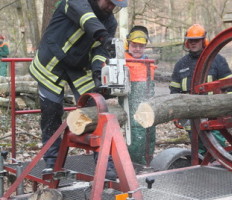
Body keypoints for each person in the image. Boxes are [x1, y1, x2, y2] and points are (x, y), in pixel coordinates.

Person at [29, 0, 128, 180]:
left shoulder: (110, 22)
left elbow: (100, 51)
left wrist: (98, 72)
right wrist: (104, 36)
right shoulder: (75, 2)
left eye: (115, 5)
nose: (111, 7)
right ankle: (52, 162)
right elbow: (86, 18)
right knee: (51, 111)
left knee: (97, 108)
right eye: (109, 2)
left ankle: (105, 162)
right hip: (51, 62)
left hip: (78, 68)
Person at [169, 24, 232, 155]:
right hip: (191, 120)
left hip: (214, 118)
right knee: (198, 153)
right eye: (190, 40)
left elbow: (230, 88)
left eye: (196, 40)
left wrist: (229, 110)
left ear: (203, 41)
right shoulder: (181, 64)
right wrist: (176, 114)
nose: (193, 43)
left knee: (217, 153)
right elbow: (174, 91)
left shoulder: (217, 60)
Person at [120, 26, 157, 165]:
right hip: (131, 104)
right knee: (136, 134)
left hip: (148, 104)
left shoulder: (147, 61)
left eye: (141, 46)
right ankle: (134, 164)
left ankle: (147, 161)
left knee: (150, 132)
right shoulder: (123, 61)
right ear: (127, 45)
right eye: (134, 45)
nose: (137, 49)